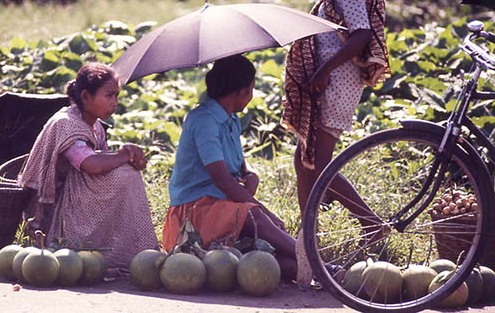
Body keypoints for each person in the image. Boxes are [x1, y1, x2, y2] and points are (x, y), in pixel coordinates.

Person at [282, 0, 391, 245]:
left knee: (317, 162)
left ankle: (371, 223)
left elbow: (361, 34)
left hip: (337, 84)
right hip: (329, 82)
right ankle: (308, 237)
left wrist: (324, 69)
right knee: (303, 157)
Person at [162, 54, 300, 282]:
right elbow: (223, 180)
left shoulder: (232, 119)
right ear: (243, 91)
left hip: (221, 208)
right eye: (252, 89)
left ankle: (311, 267)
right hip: (192, 217)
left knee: (284, 265)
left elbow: (238, 169)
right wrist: (264, 210)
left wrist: (249, 175)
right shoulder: (203, 120)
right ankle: (323, 267)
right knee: (254, 216)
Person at [18, 62, 158, 272]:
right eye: (109, 95)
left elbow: (105, 163)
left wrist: (129, 156)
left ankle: (125, 248)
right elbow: (90, 165)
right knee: (125, 173)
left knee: (126, 171)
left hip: (78, 202)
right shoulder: (66, 123)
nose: (115, 102)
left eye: (116, 96)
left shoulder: (95, 127)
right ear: (86, 97)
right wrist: (125, 154)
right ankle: (96, 247)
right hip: (57, 213)